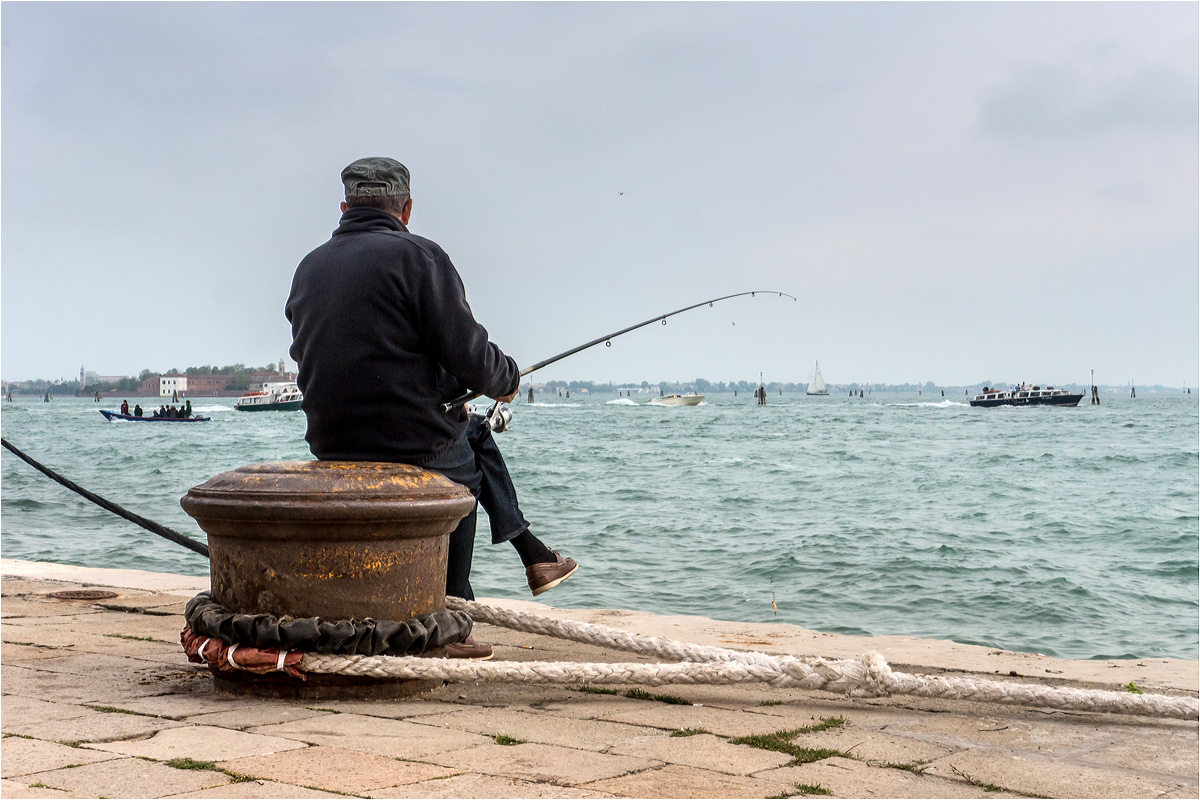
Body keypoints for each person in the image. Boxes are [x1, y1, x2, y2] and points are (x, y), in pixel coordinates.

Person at [287, 157, 576, 660]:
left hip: (331, 439)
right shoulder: (420, 257)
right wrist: (505, 379)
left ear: (345, 207)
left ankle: (534, 556)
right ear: (407, 209)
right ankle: (452, 617)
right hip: (409, 440)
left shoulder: (308, 266)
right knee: (466, 463)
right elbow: (469, 354)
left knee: (470, 434)